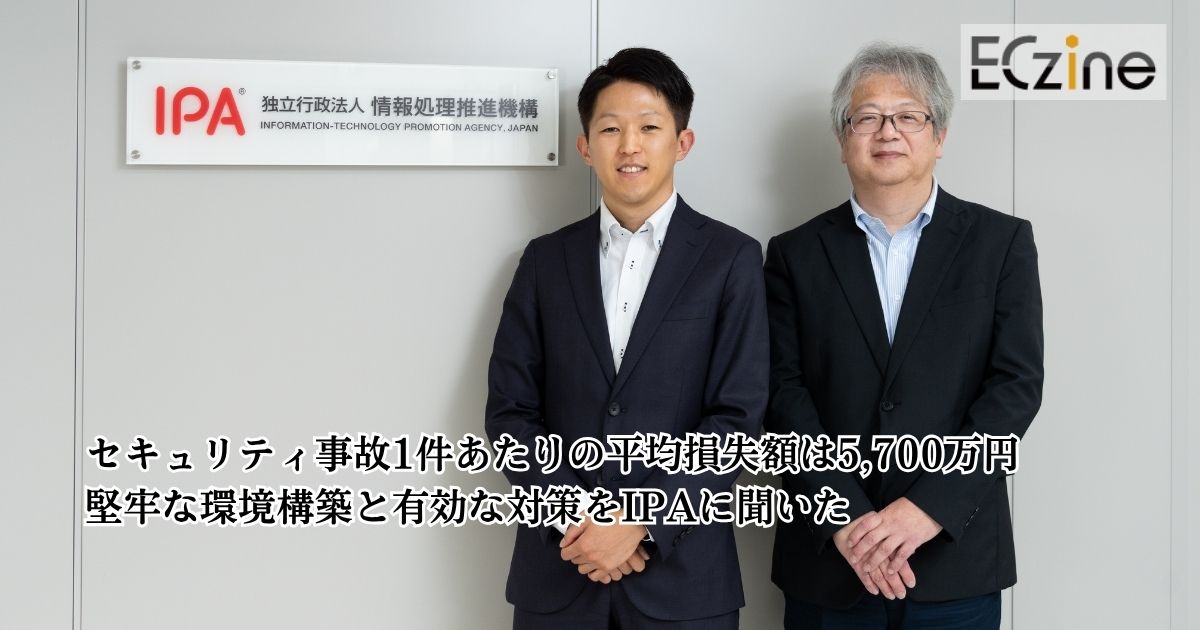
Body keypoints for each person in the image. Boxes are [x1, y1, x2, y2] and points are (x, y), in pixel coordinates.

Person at [485, 47, 768, 629]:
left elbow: (737, 418)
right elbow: (511, 413)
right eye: (611, 129)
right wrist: (579, 520)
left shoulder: (731, 259)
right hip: (561, 573)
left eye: (649, 128)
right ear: (586, 147)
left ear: (682, 143)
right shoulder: (544, 261)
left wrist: (639, 521)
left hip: (684, 582)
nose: (630, 146)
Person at [764, 43, 1043, 629]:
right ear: (842, 139)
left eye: (908, 116)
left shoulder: (1001, 243)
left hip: (955, 558)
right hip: (830, 558)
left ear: (939, 135)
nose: (887, 131)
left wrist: (927, 509)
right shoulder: (793, 254)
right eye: (867, 117)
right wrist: (844, 516)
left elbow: (1015, 388)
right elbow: (781, 392)